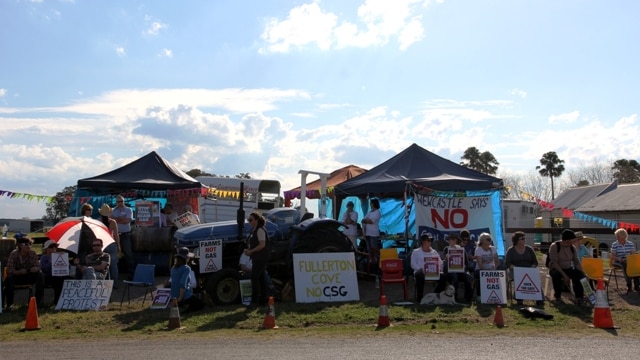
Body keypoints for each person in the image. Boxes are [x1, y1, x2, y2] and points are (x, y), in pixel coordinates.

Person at [4, 233, 45, 311]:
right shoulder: (14, 254)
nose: (28, 246)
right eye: (26, 244)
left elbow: (38, 266)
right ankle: (9, 305)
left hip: (29, 275)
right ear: (20, 245)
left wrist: (35, 269)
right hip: (17, 277)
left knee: (41, 275)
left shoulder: (33, 254)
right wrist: (18, 272)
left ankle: (37, 302)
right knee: (9, 278)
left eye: (30, 244)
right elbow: (9, 269)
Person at [548, 229, 586, 304]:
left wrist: (583, 273)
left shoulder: (572, 248)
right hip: (557, 268)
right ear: (567, 240)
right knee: (556, 275)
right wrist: (564, 275)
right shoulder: (555, 246)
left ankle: (579, 297)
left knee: (579, 275)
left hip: (568, 268)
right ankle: (558, 297)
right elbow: (554, 263)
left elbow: (576, 262)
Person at [504, 231, 541, 305]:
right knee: (519, 276)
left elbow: (535, 262)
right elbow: (507, 263)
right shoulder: (511, 250)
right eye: (522, 238)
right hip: (515, 270)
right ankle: (519, 299)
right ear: (517, 240)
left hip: (529, 269)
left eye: (524, 238)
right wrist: (517, 269)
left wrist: (531, 268)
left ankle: (539, 298)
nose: (524, 240)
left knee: (535, 277)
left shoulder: (529, 249)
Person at [165, 247, 203, 313]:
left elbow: (173, 282)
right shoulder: (186, 268)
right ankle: (186, 308)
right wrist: (181, 297)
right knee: (201, 305)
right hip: (184, 296)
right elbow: (183, 283)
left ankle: (182, 307)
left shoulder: (173, 268)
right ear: (186, 258)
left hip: (174, 296)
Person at [411, 233, 447, 303]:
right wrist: (422, 269)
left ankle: (434, 296)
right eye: (428, 240)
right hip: (422, 273)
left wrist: (439, 269)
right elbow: (413, 264)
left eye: (431, 240)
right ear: (423, 241)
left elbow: (440, 263)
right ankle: (420, 299)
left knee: (444, 277)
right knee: (419, 275)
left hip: (433, 272)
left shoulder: (434, 252)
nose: (430, 242)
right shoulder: (416, 252)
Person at [243, 211, 270, 306]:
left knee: (254, 278)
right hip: (257, 257)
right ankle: (263, 300)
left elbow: (262, 244)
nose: (249, 221)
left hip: (260, 258)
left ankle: (255, 301)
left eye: (251, 220)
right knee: (261, 279)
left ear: (257, 220)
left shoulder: (260, 230)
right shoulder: (254, 230)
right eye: (248, 220)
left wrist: (251, 251)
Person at [443, 233, 473, 302]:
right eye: (449, 239)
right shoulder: (447, 249)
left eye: (452, 239)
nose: (451, 241)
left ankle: (468, 299)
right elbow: (444, 261)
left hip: (461, 270)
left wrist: (464, 268)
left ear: (456, 240)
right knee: (454, 277)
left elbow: (466, 262)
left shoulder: (461, 249)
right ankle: (454, 298)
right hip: (450, 271)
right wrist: (447, 257)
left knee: (468, 278)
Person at [99, 203, 122, 287]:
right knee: (114, 265)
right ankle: (115, 283)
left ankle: (105, 283)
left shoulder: (98, 222)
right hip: (111, 243)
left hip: (102, 244)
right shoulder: (113, 222)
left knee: (103, 265)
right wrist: (118, 245)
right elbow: (116, 235)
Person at [112, 195, 135, 275]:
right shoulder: (113, 210)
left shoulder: (128, 209)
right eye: (118, 201)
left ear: (124, 201)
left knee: (128, 253)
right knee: (115, 254)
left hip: (125, 235)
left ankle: (131, 273)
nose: (120, 203)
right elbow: (111, 221)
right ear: (116, 202)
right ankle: (116, 274)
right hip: (115, 235)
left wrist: (116, 220)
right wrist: (121, 218)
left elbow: (127, 221)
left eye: (121, 201)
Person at [611, 228, 639, 292]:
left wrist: (630, 258)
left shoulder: (630, 244)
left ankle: (637, 285)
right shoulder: (614, 244)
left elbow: (632, 254)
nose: (617, 238)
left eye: (618, 236)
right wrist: (619, 258)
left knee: (636, 266)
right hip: (618, 261)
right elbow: (613, 256)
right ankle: (629, 285)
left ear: (623, 236)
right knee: (625, 265)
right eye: (617, 236)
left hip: (628, 260)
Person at [40, 240, 67, 305]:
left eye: (55, 246)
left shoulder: (60, 256)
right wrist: (52, 261)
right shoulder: (44, 258)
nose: (54, 248)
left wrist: (65, 260)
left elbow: (68, 267)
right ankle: (57, 301)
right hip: (49, 277)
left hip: (61, 275)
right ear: (46, 249)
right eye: (51, 247)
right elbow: (45, 269)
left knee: (69, 279)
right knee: (58, 281)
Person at [362, 198, 381, 285]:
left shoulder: (377, 212)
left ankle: (376, 270)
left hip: (373, 234)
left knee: (374, 251)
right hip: (368, 234)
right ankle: (370, 269)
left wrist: (366, 221)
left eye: (371, 203)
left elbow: (370, 221)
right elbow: (364, 219)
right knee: (369, 251)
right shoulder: (369, 212)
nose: (371, 205)